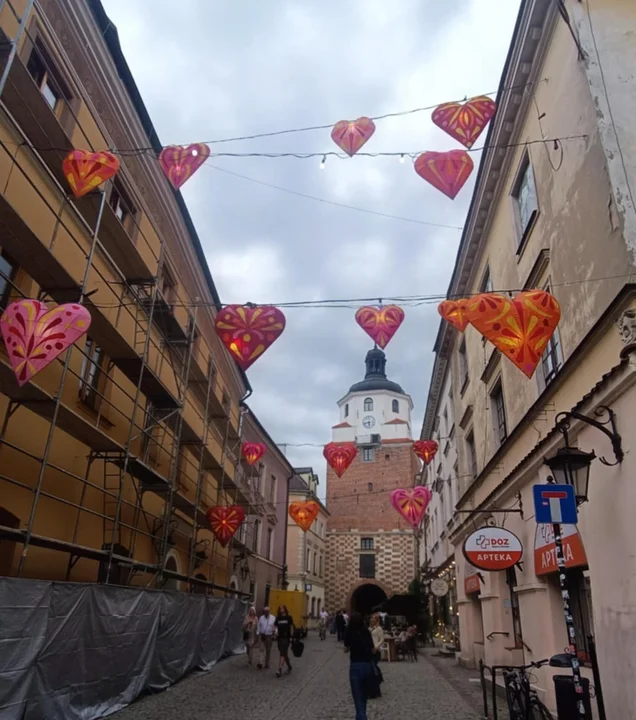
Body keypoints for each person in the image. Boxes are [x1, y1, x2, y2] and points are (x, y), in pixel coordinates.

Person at [344, 612, 375, 720]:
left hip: (356, 666)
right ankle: (361, 716)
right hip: (367, 666)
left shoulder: (349, 632)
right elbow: (372, 649)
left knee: (358, 697)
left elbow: (346, 649)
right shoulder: (366, 632)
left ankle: (362, 717)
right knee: (364, 697)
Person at [274, 604, 295, 677]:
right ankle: (289, 666)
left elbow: (291, 627)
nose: (281, 609)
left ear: (285, 609)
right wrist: (275, 632)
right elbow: (275, 626)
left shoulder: (289, 617)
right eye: (280, 608)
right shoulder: (278, 618)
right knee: (284, 653)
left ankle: (279, 669)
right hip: (279, 638)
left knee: (282, 653)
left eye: (282, 608)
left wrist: (291, 636)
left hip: (286, 638)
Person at [369, 613, 384, 697]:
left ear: (377, 620)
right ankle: (375, 689)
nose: (372, 619)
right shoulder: (370, 628)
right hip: (370, 650)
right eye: (372, 618)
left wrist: (376, 647)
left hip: (376, 651)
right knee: (372, 670)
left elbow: (382, 640)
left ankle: (376, 687)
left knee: (373, 669)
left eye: (374, 618)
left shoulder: (379, 629)